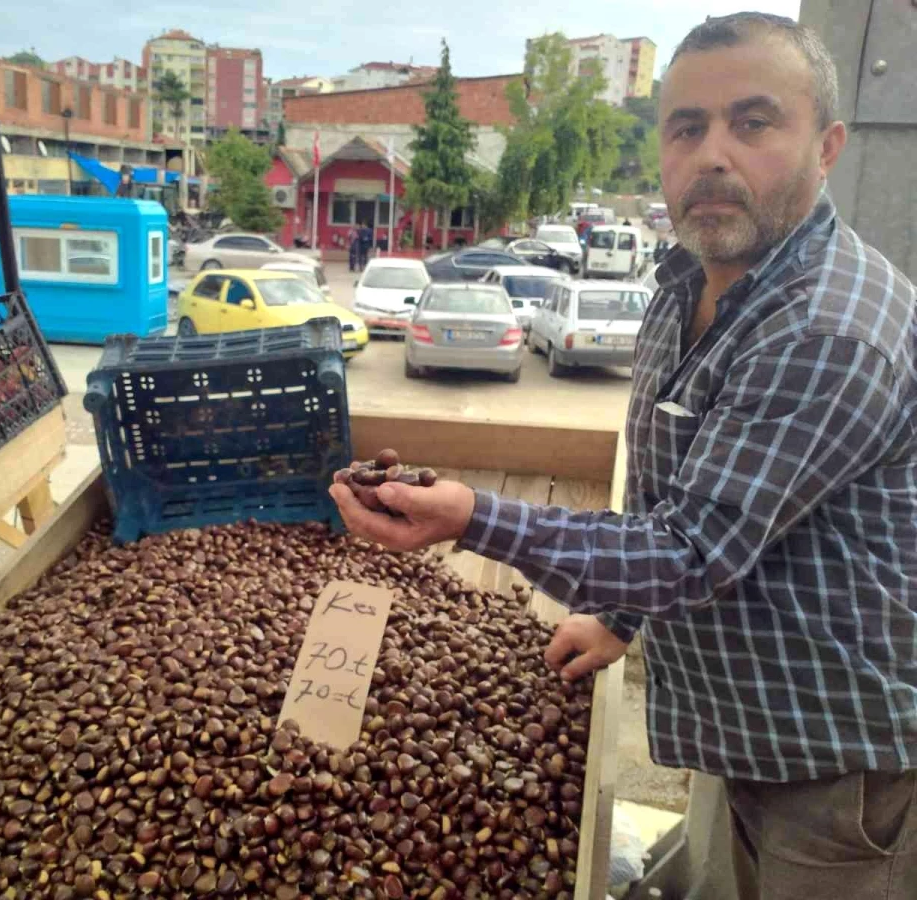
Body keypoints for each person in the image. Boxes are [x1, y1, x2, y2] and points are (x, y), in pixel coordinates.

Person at [330, 13, 916, 900]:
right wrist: (616, 616)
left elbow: (689, 549)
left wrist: (473, 516)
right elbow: (672, 499)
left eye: (754, 123)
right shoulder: (687, 283)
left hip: (840, 756)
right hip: (747, 721)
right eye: (688, 127)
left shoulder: (828, 330)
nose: (713, 154)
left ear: (827, 146)